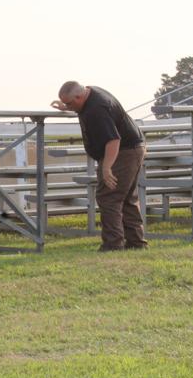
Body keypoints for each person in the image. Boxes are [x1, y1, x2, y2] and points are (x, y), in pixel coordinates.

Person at [51, 81, 148, 251]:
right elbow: (81, 107)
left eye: (70, 103)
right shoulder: (90, 93)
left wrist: (106, 167)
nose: (69, 106)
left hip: (123, 151)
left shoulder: (97, 108)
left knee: (109, 197)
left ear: (80, 96)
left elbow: (113, 140)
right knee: (126, 198)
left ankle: (113, 244)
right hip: (133, 147)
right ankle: (136, 243)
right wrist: (66, 107)